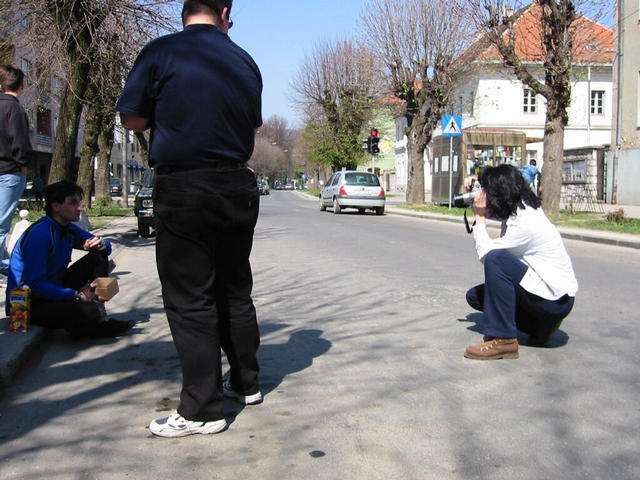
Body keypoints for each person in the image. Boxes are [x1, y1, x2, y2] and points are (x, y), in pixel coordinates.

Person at [117, 0, 263, 438]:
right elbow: (249, 123)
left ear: (185, 13)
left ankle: (202, 410)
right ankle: (246, 383)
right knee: (234, 288)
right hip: (238, 185)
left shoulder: (161, 52)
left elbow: (132, 117)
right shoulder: (245, 61)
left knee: (190, 298)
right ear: (224, 12)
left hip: (186, 185)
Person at [463, 164, 578, 360]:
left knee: (496, 259)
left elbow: (486, 254)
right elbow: (501, 200)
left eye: (488, 193)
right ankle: (540, 327)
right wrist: (478, 181)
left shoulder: (525, 223)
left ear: (500, 195)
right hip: (552, 296)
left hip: (555, 302)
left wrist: (480, 217)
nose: (484, 198)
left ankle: (503, 339)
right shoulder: (522, 206)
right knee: (477, 297)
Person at [7, 181, 134, 338]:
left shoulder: (67, 228)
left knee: (98, 254)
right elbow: (35, 284)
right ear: (56, 206)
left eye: (79, 203)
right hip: (24, 303)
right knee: (86, 311)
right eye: (73, 203)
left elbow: (106, 248)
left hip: (54, 288)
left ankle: (98, 308)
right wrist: (76, 295)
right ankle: (91, 318)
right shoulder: (40, 235)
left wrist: (100, 244)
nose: (79, 208)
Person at [0, 65, 31, 274]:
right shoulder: (15, 109)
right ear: (21, 85)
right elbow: (19, 141)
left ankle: (3, 261)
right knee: (2, 223)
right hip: (10, 171)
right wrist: (23, 166)